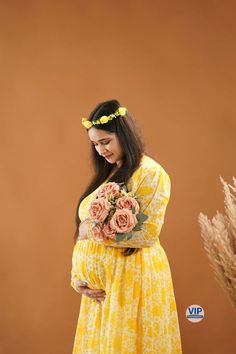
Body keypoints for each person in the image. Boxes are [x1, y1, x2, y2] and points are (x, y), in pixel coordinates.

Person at [70, 99, 182, 353]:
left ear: (123, 134)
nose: (100, 151)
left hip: (132, 285)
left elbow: (147, 233)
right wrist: (78, 277)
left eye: (105, 142)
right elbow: (83, 235)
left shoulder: (151, 174)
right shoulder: (109, 173)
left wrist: (92, 232)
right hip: (103, 294)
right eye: (95, 144)